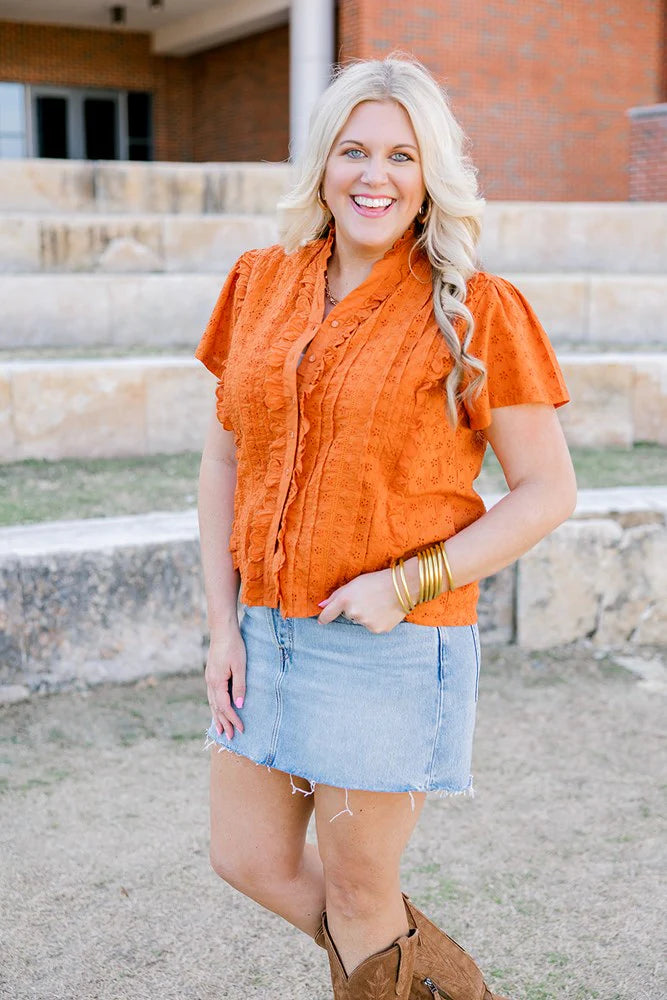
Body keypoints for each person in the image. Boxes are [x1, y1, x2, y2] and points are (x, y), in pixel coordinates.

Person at [195, 54, 576, 1000]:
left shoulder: (477, 308)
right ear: (323, 164)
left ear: (430, 174)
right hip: (264, 631)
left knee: (362, 894)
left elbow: (546, 491)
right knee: (246, 858)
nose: (375, 176)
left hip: (386, 640)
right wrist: (221, 628)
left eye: (402, 156)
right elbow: (224, 461)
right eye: (354, 151)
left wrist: (403, 585)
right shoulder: (258, 282)